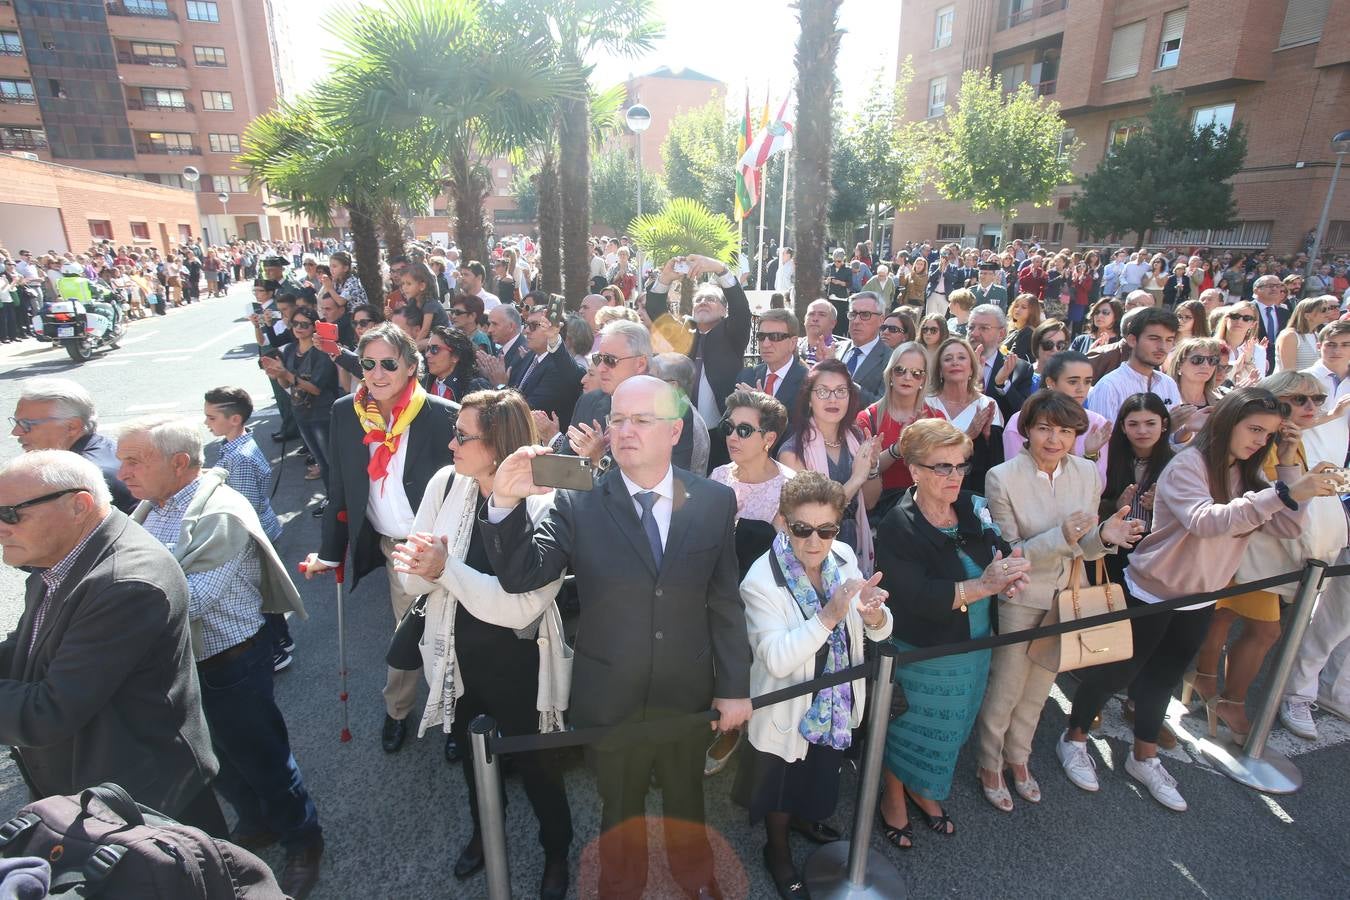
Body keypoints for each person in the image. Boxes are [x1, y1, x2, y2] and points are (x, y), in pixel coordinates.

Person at [483, 376, 752, 900]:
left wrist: (735, 685)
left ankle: (696, 880)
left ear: (675, 430)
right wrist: (505, 505)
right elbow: (523, 575)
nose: (625, 430)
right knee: (619, 805)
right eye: (618, 420)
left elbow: (723, 599)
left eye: (641, 420)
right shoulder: (577, 500)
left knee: (686, 798)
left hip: (687, 690)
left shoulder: (716, 501)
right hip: (609, 695)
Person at [1059, 388, 1341, 811]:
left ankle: (1145, 755)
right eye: (1255, 430)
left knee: (1163, 678)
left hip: (1203, 594)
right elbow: (1204, 521)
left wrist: (1286, 464)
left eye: (1267, 434)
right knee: (1116, 673)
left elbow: (1287, 528)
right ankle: (1075, 737)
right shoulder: (1187, 465)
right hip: (1152, 590)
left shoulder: (1246, 474)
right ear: (1228, 422)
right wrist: (1285, 493)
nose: (1259, 440)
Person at [117, 417, 321, 895]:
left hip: (229, 661)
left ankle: (303, 839)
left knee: (264, 759)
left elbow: (188, 600)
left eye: (134, 461)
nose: (122, 472)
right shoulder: (153, 506)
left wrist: (114, 600)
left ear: (179, 463)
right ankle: (258, 821)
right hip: (182, 663)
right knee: (214, 760)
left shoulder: (220, 513)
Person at [390, 390, 572, 900]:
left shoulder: (547, 500)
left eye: (462, 436)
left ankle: (556, 850)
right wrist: (431, 572)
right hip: (456, 657)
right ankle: (483, 833)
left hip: (521, 663)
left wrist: (444, 569)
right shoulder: (446, 483)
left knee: (539, 766)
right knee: (473, 758)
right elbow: (411, 582)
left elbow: (519, 608)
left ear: (497, 446)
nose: (450, 443)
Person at [0, 451, 223, 833]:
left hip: (141, 802)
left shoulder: (125, 583)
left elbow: (48, 712)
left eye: (9, 514)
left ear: (79, 505)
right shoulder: (61, 554)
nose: (1, 527)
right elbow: (29, 646)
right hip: (97, 784)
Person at [975, 393, 1142, 811]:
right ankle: (989, 762)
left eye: (1065, 431)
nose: (1054, 439)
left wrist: (1105, 538)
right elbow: (1011, 550)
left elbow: (1085, 545)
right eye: (1045, 428)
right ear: (1027, 430)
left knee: (1040, 687)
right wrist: (1064, 535)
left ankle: (1019, 757)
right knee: (1007, 686)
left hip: (1068, 593)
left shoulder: (1087, 473)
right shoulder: (1002, 476)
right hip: (1022, 594)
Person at [301, 323, 459, 755]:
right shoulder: (344, 412)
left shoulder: (444, 413)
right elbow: (339, 488)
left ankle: (455, 718)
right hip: (398, 550)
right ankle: (398, 711)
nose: (377, 372)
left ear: (412, 366)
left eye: (389, 363)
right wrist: (332, 554)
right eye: (368, 363)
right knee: (408, 633)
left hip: (448, 547)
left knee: (456, 635)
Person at [873, 419, 1031, 848]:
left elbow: (998, 548)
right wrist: (985, 585)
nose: (954, 476)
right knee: (909, 729)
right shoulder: (897, 525)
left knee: (951, 730)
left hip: (974, 647)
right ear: (915, 471)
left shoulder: (972, 506)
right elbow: (917, 597)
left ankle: (923, 789)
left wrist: (1011, 574)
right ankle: (893, 796)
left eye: (961, 466)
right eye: (942, 467)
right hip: (924, 652)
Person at [736, 472, 892, 897]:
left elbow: (872, 631)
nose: (814, 541)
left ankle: (805, 819)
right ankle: (778, 851)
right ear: (784, 522)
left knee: (820, 773)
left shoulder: (842, 556)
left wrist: (875, 616)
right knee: (782, 786)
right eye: (802, 529)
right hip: (788, 708)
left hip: (835, 700)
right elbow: (777, 658)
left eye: (826, 529)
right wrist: (829, 617)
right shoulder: (760, 581)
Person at [1190, 372, 1346, 740]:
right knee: (1260, 628)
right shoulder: (1262, 439)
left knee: (1224, 616)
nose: (1311, 407)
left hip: (1268, 549)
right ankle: (1225, 698)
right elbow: (1269, 496)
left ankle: (1207, 685)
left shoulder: (1292, 438)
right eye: (1300, 399)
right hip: (1251, 547)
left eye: (1317, 399)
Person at [1281, 320, 1350, 736]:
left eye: (1346, 344)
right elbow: (1283, 427)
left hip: (1339, 502)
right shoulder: (1306, 383)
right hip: (1315, 507)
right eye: (1332, 342)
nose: (1338, 349)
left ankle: (1335, 688)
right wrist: (1329, 413)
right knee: (1312, 607)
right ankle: (1298, 693)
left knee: (1343, 616)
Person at [203, 386, 292, 670]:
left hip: (252, 534)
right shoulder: (238, 446)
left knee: (255, 595)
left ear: (235, 419)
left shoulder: (238, 458)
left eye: (212, 417)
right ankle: (283, 639)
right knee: (265, 591)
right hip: (262, 527)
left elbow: (243, 508)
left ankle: (275, 651)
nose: (207, 423)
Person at [778, 360, 881, 573]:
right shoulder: (793, 453)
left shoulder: (857, 437)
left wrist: (871, 467)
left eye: (841, 391)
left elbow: (870, 502)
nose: (833, 399)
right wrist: (855, 479)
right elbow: (811, 518)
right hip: (815, 549)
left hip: (855, 543)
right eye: (823, 392)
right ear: (809, 399)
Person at [646, 254, 751, 443]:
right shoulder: (684, 332)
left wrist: (720, 269)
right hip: (683, 430)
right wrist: (665, 278)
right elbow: (655, 309)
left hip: (723, 431)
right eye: (699, 299)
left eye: (710, 299)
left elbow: (740, 306)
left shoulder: (732, 332)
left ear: (723, 309)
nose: (703, 302)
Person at [10, 377, 134, 512]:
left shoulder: (76, 478)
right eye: (16, 422)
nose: (16, 432)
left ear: (72, 427)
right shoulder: (108, 448)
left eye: (26, 424)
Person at [858, 342, 944, 513]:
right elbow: (862, 471)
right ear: (890, 375)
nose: (907, 377)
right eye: (900, 370)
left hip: (925, 509)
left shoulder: (936, 418)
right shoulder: (868, 418)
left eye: (916, 373)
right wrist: (898, 448)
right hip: (880, 510)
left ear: (924, 380)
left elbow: (944, 468)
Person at [262, 306, 339, 492]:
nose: (299, 328)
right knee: (320, 460)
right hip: (300, 413)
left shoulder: (321, 352)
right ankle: (331, 499)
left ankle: (336, 501)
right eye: (295, 323)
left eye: (304, 324)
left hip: (321, 414)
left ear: (314, 327)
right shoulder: (289, 349)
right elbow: (285, 385)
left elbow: (317, 389)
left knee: (330, 462)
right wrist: (278, 374)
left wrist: (286, 374)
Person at [1003, 351, 1112, 481]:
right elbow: (1016, 479)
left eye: (1087, 381)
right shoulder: (1021, 420)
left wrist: (1090, 455)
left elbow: (1098, 487)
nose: (1081, 389)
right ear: (1051, 383)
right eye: (1073, 382)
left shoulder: (1097, 423)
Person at [927, 336, 1003, 494]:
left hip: (973, 490)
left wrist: (988, 438)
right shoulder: (927, 404)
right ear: (940, 370)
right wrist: (968, 435)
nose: (955, 362)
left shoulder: (986, 405)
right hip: (932, 487)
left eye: (961, 357)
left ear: (971, 368)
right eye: (948, 359)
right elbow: (923, 452)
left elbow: (995, 462)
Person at [1085, 307, 1181, 424]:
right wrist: (1168, 427)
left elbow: (1175, 440)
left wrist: (1185, 430)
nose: (1163, 347)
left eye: (1169, 340)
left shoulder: (1168, 384)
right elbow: (1104, 440)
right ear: (1132, 340)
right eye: (1154, 338)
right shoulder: (1109, 386)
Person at [515, 303, 585, 431]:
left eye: (533, 326)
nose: (526, 331)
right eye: (526, 325)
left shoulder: (558, 369)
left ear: (554, 329)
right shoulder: (530, 356)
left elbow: (529, 409)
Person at [966, 305, 1034, 422]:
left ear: (1001, 333)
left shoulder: (1019, 369)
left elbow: (1022, 415)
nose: (975, 333)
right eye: (971, 327)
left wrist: (1002, 384)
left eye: (984, 328)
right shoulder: (952, 363)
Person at [832, 292, 889, 406]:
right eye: (853, 314)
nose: (856, 321)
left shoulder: (891, 359)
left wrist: (845, 382)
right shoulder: (835, 349)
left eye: (865, 315)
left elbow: (883, 406)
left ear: (881, 320)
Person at [1164, 337, 1225, 441]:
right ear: (1179, 366)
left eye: (1212, 360)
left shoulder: (1221, 402)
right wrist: (1186, 430)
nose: (1206, 365)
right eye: (1197, 360)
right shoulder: (1164, 399)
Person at [423, 325, 491, 403]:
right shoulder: (423, 383)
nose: (427, 354)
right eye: (427, 349)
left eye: (434, 349)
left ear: (455, 356)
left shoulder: (475, 387)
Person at [1275, 296, 1336, 373]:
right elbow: (1288, 372)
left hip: (1311, 383)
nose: (1328, 312)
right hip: (1290, 384)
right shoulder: (1290, 335)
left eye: (1329, 309)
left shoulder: (1316, 335)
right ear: (1307, 316)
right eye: (1323, 310)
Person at [1252, 275, 1291, 375]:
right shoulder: (1247, 310)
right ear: (1256, 290)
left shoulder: (1285, 313)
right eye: (1270, 285)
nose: (1274, 289)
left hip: (1277, 365)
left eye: (1277, 286)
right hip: (1252, 362)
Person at [799, 299, 839, 364]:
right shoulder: (793, 346)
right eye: (811, 314)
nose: (815, 319)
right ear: (804, 320)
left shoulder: (840, 351)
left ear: (833, 323)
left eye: (822, 315)